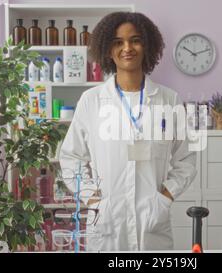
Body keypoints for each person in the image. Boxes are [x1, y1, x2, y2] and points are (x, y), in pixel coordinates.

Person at [59, 12, 197, 251]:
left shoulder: (168, 99)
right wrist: (95, 200)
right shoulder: (91, 101)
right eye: (118, 42)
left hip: (152, 220)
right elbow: (71, 158)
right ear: (107, 49)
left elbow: (187, 158)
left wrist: (164, 198)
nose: (127, 48)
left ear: (147, 45)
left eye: (135, 40)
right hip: (107, 221)